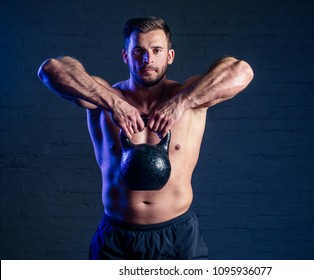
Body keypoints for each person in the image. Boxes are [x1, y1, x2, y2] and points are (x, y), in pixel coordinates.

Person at [37, 16, 253, 260]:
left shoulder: (191, 96)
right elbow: (51, 69)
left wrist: (181, 103)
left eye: (156, 50)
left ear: (169, 56)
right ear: (126, 56)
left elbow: (241, 71)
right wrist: (114, 104)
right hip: (117, 238)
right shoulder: (102, 98)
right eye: (138, 51)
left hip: (178, 237)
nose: (147, 59)